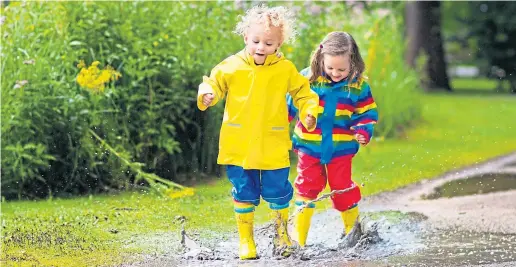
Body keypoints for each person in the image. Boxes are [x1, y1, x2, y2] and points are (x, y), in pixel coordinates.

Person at [197, 5, 319, 259]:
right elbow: (213, 82)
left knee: (278, 191)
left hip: (272, 143)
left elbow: (304, 93)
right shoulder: (231, 66)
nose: (261, 47)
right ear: (245, 38)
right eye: (256, 41)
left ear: (279, 44)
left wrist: (309, 112)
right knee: (243, 191)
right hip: (239, 144)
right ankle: (246, 241)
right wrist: (207, 94)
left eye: (268, 43)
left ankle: (281, 236)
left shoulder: (285, 69)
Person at [287, 31, 379, 247]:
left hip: (340, 149)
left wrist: (363, 131)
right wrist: (279, 126)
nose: (335, 73)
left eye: (341, 69)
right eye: (330, 68)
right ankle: (298, 239)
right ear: (321, 59)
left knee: (342, 187)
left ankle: (352, 233)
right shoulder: (307, 80)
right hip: (309, 147)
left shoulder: (358, 87)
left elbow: (366, 114)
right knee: (307, 187)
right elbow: (289, 106)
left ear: (353, 61)